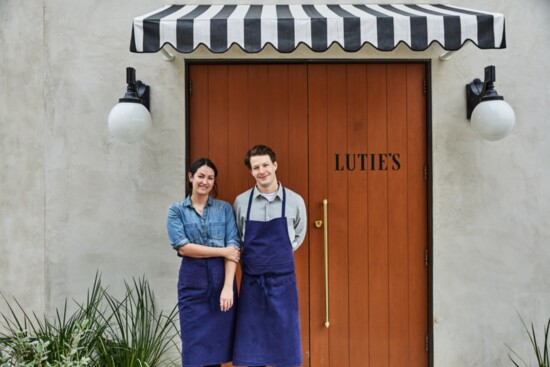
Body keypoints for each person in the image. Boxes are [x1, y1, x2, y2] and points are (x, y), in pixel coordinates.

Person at [232, 145, 307, 367]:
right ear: (251, 171)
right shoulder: (241, 202)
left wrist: (281, 253)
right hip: (252, 282)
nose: (261, 171)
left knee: (286, 341)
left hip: (284, 283)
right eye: (256, 167)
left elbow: (299, 235)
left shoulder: (295, 201)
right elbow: (238, 237)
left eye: (265, 165)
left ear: (275, 165)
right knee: (252, 344)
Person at [166, 158, 241, 367]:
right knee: (193, 347)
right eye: (201, 176)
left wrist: (228, 288)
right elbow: (183, 247)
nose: (205, 182)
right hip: (192, 281)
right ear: (191, 177)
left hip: (221, 280)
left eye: (210, 178)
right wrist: (222, 250)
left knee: (217, 348)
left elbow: (233, 250)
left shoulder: (224, 209)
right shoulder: (176, 210)